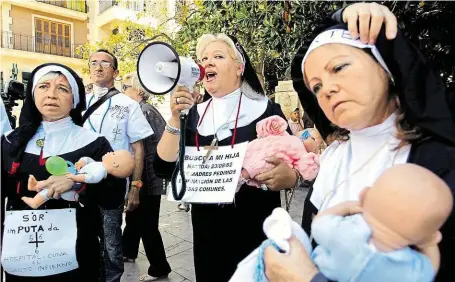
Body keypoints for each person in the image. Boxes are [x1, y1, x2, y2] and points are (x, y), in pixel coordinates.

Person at [265, 2, 455, 282]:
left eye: (339, 67)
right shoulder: (336, 153)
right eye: (316, 86)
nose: (326, 89)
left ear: (386, 67)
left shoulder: (438, 163)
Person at [154, 33, 302, 282]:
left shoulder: (268, 110)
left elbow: (293, 158)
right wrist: (174, 119)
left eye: (218, 56)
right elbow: (163, 167)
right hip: (208, 233)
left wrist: (291, 177)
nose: (207, 63)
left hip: (256, 228)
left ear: (239, 68)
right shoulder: (191, 115)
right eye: (203, 58)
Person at [1, 63, 125, 281]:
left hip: (76, 251)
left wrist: (77, 184)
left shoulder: (94, 143)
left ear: (74, 99)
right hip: (21, 250)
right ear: (32, 94)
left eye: (62, 89)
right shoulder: (10, 141)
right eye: (44, 86)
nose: (51, 94)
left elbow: (113, 197)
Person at [85, 49, 154, 282]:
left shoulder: (127, 104)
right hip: (78, 182)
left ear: (115, 71)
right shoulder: (77, 102)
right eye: (93, 62)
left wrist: (135, 186)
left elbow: (138, 148)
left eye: (105, 63)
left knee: (112, 243)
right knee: (82, 239)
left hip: (112, 184)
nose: (98, 66)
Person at [120, 73, 172, 281]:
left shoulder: (145, 112)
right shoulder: (142, 110)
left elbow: (156, 147)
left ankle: (160, 267)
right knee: (134, 216)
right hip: (145, 176)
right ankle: (128, 251)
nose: (123, 90)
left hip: (148, 178)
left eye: (126, 86)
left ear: (138, 91)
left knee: (147, 223)